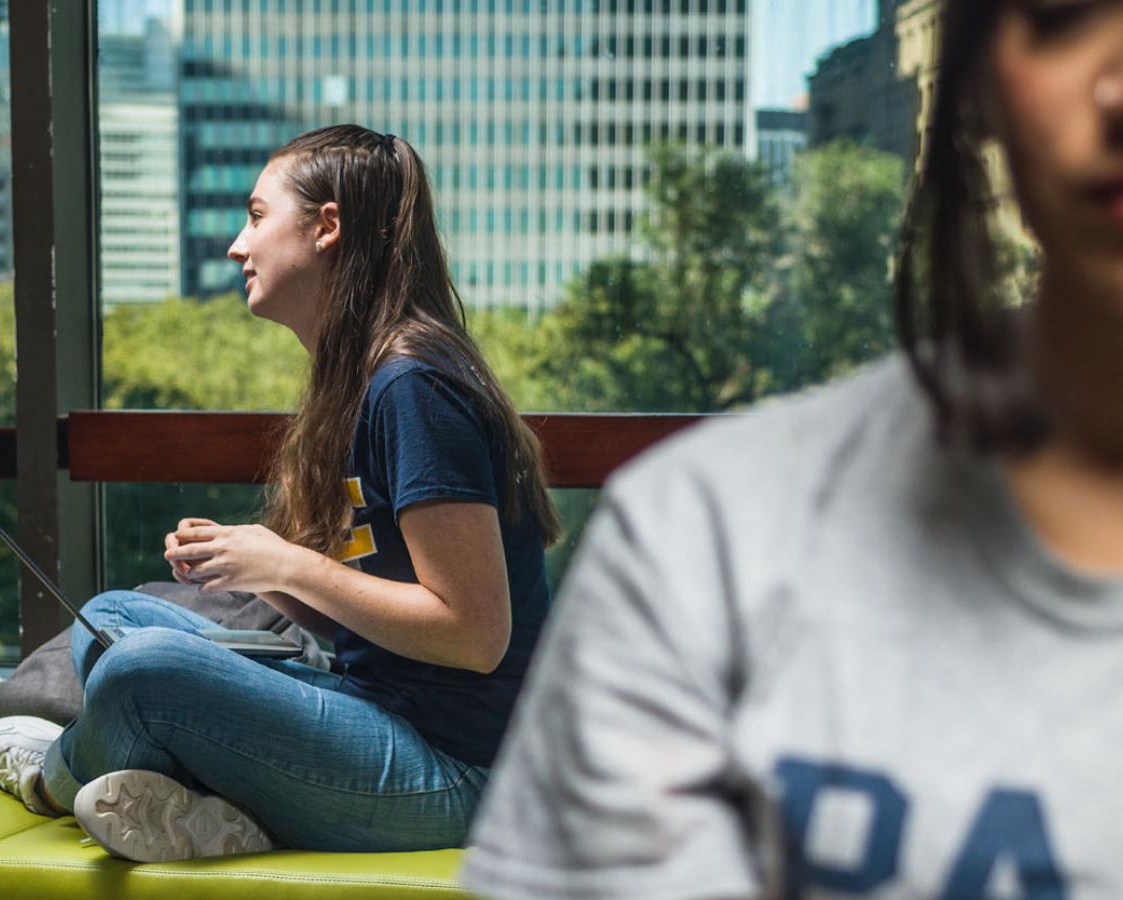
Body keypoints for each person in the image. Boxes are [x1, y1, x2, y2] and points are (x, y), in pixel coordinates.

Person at [463, 1, 1123, 896]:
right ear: (979, 82)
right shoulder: (707, 536)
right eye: (1060, 14)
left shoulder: (413, 387)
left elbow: (470, 628)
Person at [0, 124, 561, 863]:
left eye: (256, 217)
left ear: (326, 228)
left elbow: (474, 637)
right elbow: (377, 598)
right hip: (374, 708)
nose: (236, 247)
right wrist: (245, 565)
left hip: (459, 775)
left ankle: (52, 775)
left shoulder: (413, 386)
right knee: (110, 620)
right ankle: (214, 811)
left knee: (138, 672)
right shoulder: (361, 383)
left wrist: (285, 563)